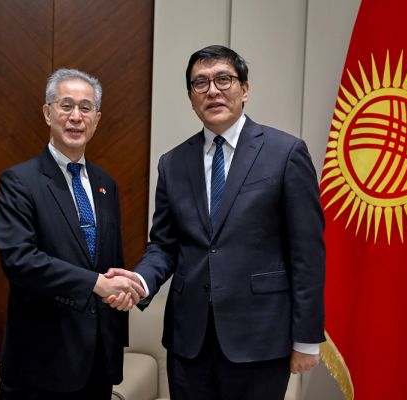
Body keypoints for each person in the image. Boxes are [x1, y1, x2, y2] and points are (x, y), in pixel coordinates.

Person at [106, 45, 326, 400]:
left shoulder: (285, 153)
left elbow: (307, 252)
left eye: (224, 79)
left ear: (245, 89)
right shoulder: (173, 163)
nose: (213, 90)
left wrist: (306, 338)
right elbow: (164, 244)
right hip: (189, 341)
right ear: (191, 98)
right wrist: (141, 281)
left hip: (260, 339)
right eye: (200, 83)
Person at [0, 68, 144, 400]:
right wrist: (96, 284)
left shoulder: (106, 184)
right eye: (66, 106)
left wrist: (120, 292)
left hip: (98, 360)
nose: (76, 116)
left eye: (85, 108)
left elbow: (111, 260)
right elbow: (19, 260)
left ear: (97, 119)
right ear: (48, 113)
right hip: (42, 362)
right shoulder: (20, 182)